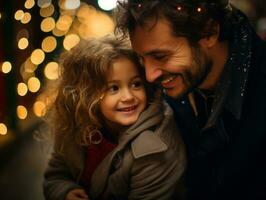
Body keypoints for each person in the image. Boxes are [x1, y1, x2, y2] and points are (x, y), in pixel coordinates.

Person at [115, 0, 266, 199]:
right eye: (142, 59)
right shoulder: (162, 91)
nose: (150, 76)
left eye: (160, 56)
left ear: (209, 32)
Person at [43, 35, 186, 200]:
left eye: (136, 84)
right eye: (113, 88)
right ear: (88, 95)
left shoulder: (155, 148)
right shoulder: (77, 125)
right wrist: (65, 192)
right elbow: (55, 176)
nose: (128, 96)